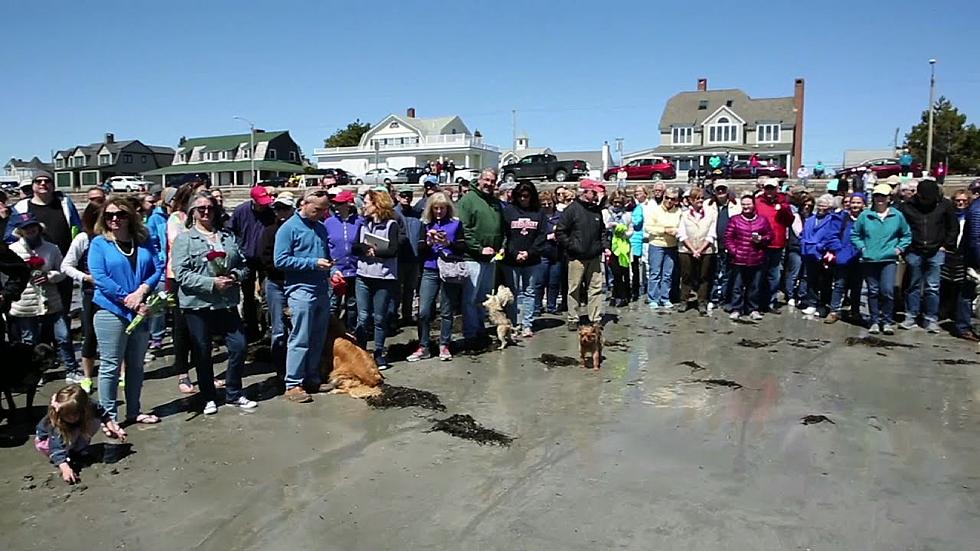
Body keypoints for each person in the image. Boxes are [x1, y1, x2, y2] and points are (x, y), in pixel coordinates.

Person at [173, 193, 258, 415]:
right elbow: (181, 274)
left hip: (227, 303)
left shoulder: (228, 236)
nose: (206, 212)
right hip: (197, 305)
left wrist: (235, 277)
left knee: (239, 345)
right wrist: (211, 283)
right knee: (202, 351)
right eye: (200, 208)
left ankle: (234, 392)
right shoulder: (185, 239)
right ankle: (208, 396)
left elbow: (243, 265)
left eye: (210, 207)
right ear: (192, 212)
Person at [88, 197, 162, 424]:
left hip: (141, 309)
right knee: (110, 365)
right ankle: (109, 416)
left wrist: (143, 290)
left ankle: (134, 410)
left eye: (120, 214)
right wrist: (126, 299)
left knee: (136, 365)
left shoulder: (143, 239)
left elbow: (157, 266)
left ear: (130, 216)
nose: (114, 219)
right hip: (110, 310)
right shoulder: (99, 243)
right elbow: (100, 277)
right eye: (109, 215)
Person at [274, 189, 335, 403]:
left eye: (324, 210)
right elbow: (280, 261)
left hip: (321, 288)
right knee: (299, 337)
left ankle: (312, 377)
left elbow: (326, 255)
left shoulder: (320, 228)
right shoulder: (288, 228)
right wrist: (312, 263)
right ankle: (293, 383)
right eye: (317, 209)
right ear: (304, 203)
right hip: (300, 290)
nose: (320, 213)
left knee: (317, 337)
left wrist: (332, 271)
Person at [7, 213, 81, 382]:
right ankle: (34, 373)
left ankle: (72, 369)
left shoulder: (52, 248)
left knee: (63, 336)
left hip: (50, 300)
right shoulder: (13, 250)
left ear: (39, 228)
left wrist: (49, 276)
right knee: (29, 340)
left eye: (33, 226)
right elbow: (8, 276)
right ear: (20, 231)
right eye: (26, 228)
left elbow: (63, 271)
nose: (30, 230)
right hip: (25, 302)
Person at [407, 192, 464, 362]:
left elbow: (463, 246)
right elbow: (419, 249)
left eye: (442, 208)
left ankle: (444, 344)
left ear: (448, 208)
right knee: (424, 311)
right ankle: (423, 346)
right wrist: (429, 242)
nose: (439, 212)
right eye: (436, 208)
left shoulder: (455, 224)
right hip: (430, 269)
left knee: (447, 310)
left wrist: (448, 243)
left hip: (449, 269)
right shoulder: (425, 224)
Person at [896, 178, 958, 332]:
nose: (927, 201)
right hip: (914, 251)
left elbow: (953, 227)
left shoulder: (944, 205)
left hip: (936, 251)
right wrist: (905, 248)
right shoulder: (906, 207)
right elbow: (900, 229)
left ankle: (931, 318)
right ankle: (911, 316)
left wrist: (946, 245)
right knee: (913, 285)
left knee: (933, 287)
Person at [851, 183, 913, 335]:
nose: (880, 199)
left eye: (883, 196)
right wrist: (863, 248)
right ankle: (874, 321)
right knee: (872, 291)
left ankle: (887, 321)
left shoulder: (897, 215)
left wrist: (898, 248)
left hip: (889, 259)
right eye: (877, 196)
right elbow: (855, 234)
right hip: (869, 259)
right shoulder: (865, 215)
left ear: (889, 198)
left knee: (887, 291)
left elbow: (906, 235)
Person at [36, 384, 127, 484]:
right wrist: (65, 468)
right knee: (67, 436)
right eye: (66, 414)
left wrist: (112, 428)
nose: (71, 417)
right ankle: (69, 453)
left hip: (74, 431)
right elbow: (56, 448)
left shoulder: (90, 404)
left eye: (75, 413)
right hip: (47, 443)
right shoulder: (56, 422)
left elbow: (102, 413)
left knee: (94, 421)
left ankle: (76, 450)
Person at [352, 190, 402, 369]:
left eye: (366, 202)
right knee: (363, 316)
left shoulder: (391, 225)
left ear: (377, 204)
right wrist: (363, 248)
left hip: (383, 277)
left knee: (380, 317)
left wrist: (376, 251)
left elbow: (394, 250)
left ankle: (379, 352)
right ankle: (361, 352)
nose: (364, 205)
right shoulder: (363, 224)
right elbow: (354, 247)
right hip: (363, 275)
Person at [457, 168, 504, 348]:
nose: (489, 184)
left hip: (491, 258)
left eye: (492, 181)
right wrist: (479, 248)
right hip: (472, 258)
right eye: (486, 180)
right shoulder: (468, 200)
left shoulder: (495, 202)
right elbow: (465, 229)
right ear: (480, 180)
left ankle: (480, 329)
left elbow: (501, 228)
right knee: (470, 298)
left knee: (484, 299)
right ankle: (470, 333)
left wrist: (502, 245)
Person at [556, 180, 610, 328]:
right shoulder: (572, 209)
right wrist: (572, 247)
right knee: (574, 288)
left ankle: (595, 318)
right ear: (586, 192)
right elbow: (560, 231)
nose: (597, 196)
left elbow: (602, 231)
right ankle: (573, 318)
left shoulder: (596, 210)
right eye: (595, 193)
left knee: (596, 289)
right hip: (576, 257)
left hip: (594, 255)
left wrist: (604, 246)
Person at [61, 204, 103, 393]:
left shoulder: (113, 237)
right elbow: (66, 266)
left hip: (114, 293)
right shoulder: (83, 238)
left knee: (120, 334)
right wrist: (85, 277)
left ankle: (123, 373)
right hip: (90, 293)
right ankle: (87, 377)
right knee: (90, 336)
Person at [166, 183, 201, 394]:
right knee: (182, 327)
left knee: (202, 328)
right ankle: (182, 373)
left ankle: (204, 372)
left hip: (202, 276)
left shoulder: (202, 218)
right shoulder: (176, 219)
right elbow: (178, 243)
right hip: (178, 276)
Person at [230, 185, 277, 342]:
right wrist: (239, 248)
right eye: (260, 202)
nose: (264, 205)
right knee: (248, 296)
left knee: (266, 295)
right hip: (246, 259)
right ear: (253, 200)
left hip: (265, 260)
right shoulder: (241, 211)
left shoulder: (270, 212)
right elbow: (232, 230)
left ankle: (267, 329)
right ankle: (250, 329)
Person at [502, 182, 548, 337]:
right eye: (520, 196)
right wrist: (514, 252)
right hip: (511, 258)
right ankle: (514, 324)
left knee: (529, 291)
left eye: (526, 196)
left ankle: (527, 324)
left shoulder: (539, 212)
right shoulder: (508, 211)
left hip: (532, 259)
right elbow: (505, 235)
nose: (523, 199)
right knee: (513, 292)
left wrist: (529, 252)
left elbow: (542, 236)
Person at [259, 191, 295, 377]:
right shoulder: (269, 231)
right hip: (276, 283)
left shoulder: (299, 229)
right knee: (279, 329)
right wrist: (285, 269)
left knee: (297, 328)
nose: (281, 212)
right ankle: (280, 370)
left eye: (285, 208)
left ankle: (296, 367)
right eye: (278, 208)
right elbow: (265, 258)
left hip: (296, 284)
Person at [724, 195, 774, 321]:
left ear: (753, 205)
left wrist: (761, 239)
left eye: (749, 204)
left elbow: (770, 235)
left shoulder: (762, 220)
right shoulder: (735, 220)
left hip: (757, 257)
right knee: (737, 286)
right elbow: (728, 238)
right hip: (739, 259)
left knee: (755, 286)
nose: (746, 207)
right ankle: (736, 308)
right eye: (744, 204)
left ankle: (753, 309)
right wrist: (734, 251)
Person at [825, 193, 867, 324]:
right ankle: (834, 311)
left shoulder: (867, 218)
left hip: (861, 257)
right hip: (843, 257)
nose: (855, 205)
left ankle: (855, 312)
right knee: (839, 284)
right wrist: (839, 250)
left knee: (857, 286)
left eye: (858, 203)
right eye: (853, 202)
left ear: (863, 204)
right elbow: (832, 236)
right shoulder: (841, 218)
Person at [799, 194, 842, 317]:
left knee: (825, 281)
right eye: (820, 204)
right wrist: (803, 242)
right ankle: (811, 303)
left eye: (825, 205)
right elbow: (803, 233)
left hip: (824, 254)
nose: (821, 207)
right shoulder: (810, 219)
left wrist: (823, 246)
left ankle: (823, 305)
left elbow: (834, 236)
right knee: (810, 279)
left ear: (830, 207)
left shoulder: (833, 219)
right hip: (809, 253)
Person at [755, 180, 794, 312]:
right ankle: (758, 302)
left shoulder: (783, 202)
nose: (769, 191)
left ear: (777, 189)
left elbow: (790, 221)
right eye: (767, 188)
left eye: (772, 188)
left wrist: (783, 208)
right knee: (759, 274)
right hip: (761, 243)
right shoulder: (758, 202)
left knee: (774, 274)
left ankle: (772, 301)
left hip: (777, 243)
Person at [677, 188, 717, 315]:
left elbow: (711, 234)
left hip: (706, 250)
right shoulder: (684, 214)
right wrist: (693, 250)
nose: (700, 200)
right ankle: (684, 301)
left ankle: (702, 302)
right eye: (697, 198)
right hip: (686, 249)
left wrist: (700, 249)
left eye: (701, 198)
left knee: (703, 277)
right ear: (690, 200)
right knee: (686, 276)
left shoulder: (711, 213)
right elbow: (681, 234)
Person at [324, 190, 359, 331]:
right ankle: (331, 333)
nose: (337, 206)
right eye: (336, 204)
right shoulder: (328, 223)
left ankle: (351, 331)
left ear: (349, 205)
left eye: (340, 204)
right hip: (336, 270)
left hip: (355, 270)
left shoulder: (359, 222)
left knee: (352, 304)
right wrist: (331, 267)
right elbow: (325, 246)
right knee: (333, 304)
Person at [941, 188, 973, 339]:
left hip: (964, 254)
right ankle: (944, 311)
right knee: (946, 284)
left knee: (961, 286)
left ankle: (956, 314)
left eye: (964, 201)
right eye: (958, 200)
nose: (961, 203)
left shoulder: (972, 216)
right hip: (949, 252)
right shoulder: (949, 215)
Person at [644, 188, 681, 309]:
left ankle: (665, 298)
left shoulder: (679, 212)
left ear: (676, 200)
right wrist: (664, 230)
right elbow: (649, 228)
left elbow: (680, 228)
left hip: (672, 246)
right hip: (656, 245)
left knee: (667, 274)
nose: (669, 201)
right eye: (667, 198)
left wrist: (674, 231)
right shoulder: (654, 210)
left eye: (673, 199)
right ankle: (653, 298)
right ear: (664, 197)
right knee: (655, 273)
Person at [709, 184, 739, 310]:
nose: (721, 192)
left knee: (727, 273)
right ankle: (714, 298)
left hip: (730, 245)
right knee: (714, 273)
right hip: (714, 245)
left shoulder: (736, 205)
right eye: (718, 190)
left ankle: (725, 298)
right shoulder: (709, 205)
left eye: (723, 190)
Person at [534, 191, 563, 315]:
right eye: (543, 203)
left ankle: (552, 306)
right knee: (539, 282)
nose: (546, 205)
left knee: (554, 282)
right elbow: (534, 236)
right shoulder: (537, 217)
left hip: (557, 253)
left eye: (549, 203)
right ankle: (537, 307)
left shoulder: (561, 216)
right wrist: (548, 237)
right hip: (542, 253)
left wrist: (559, 235)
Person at [602, 190, 632, 308]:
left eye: (620, 202)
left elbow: (631, 230)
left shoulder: (627, 215)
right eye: (615, 202)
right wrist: (605, 247)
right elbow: (603, 230)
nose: (617, 204)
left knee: (624, 272)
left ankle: (623, 296)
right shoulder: (606, 213)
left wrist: (621, 230)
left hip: (623, 246)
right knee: (614, 273)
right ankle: (615, 294)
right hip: (610, 246)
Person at [628, 186, 648, 302]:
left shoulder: (639, 208)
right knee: (631, 266)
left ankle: (636, 290)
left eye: (639, 192)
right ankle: (632, 289)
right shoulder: (634, 207)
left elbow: (637, 221)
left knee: (636, 266)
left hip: (637, 240)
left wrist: (628, 219)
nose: (637, 194)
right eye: (635, 192)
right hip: (629, 240)